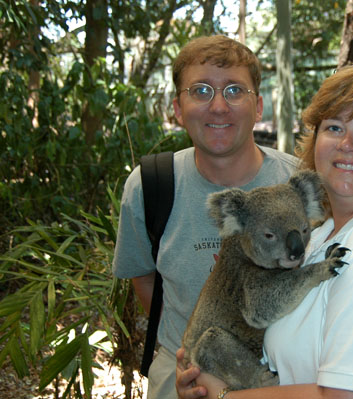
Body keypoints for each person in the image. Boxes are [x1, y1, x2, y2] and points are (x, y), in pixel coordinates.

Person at [176, 62, 353, 399]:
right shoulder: (326, 233)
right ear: (315, 141)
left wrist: (223, 396)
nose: (347, 143)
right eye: (334, 127)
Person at [112, 35, 299, 399]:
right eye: (200, 91)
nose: (218, 106)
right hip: (184, 367)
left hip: (282, 372)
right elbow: (144, 278)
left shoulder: (295, 184)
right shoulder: (150, 186)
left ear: (258, 106)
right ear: (178, 109)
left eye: (234, 91)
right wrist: (194, 345)